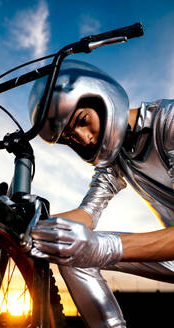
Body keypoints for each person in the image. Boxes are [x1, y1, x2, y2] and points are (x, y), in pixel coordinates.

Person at [28, 59, 174, 328]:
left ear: (101, 96)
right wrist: (26, 226)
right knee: (73, 252)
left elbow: (99, 243)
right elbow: (86, 216)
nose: (84, 139)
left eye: (82, 121)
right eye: (71, 137)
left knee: (92, 248)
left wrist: (105, 248)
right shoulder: (115, 158)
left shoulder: (169, 121)